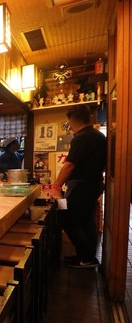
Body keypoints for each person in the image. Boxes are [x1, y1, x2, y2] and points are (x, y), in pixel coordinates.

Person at [50, 105, 106, 268]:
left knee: (67, 219)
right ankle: (86, 257)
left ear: (73, 120)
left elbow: (69, 165)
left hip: (81, 187)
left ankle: (87, 257)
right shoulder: (97, 135)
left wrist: (56, 187)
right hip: (92, 185)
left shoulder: (82, 137)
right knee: (86, 221)